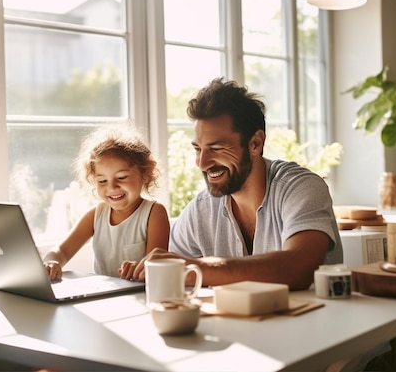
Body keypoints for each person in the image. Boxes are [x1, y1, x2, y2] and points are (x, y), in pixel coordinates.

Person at [119, 78, 342, 290]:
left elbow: (298, 267)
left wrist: (195, 267)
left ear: (255, 143)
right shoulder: (202, 210)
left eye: (216, 148)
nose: (202, 163)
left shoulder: (300, 187)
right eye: (198, 149)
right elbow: (171, 269)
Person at [43, 124, 170, 280]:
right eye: (102, 181)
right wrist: (51, 262)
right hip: (102, 298)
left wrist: (140, 268)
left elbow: (157, 265)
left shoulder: (154, 213)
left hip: (141, 297)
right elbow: (61, 251)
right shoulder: (95, 215)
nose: (112, 187)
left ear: (146, 172)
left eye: (122, 177)